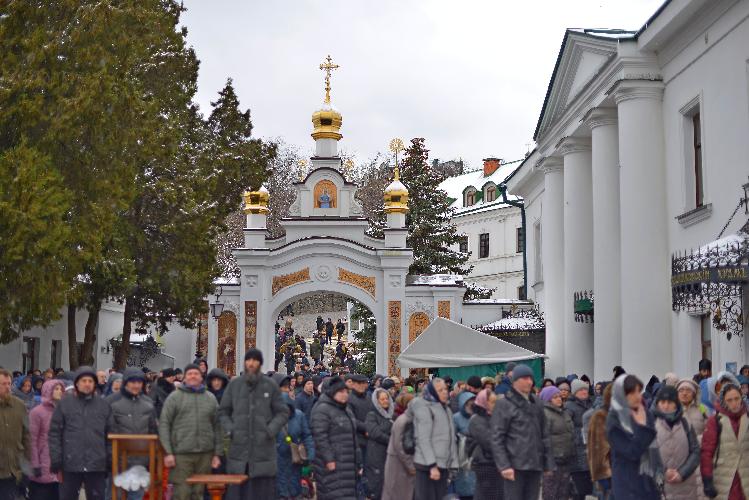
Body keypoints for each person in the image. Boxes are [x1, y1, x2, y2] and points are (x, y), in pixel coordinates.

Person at [219, 348, 288, 500]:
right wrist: (231, 430)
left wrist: (270, 430)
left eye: (255, 360)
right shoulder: (234, 385)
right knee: (237, 493)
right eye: (249, 360)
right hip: (239, 449)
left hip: (263, 450)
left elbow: (282, 412)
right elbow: (223, 412)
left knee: (261, 493)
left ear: (260, 363)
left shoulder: (270, 385)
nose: (251, 363)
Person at [158, 364, 222, 500]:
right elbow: (164, 424)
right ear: (184, 378)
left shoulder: (210, 398)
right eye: (190, 374)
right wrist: (168, 452)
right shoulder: (174, 397)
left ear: (201, 377)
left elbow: (217, 426)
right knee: (182, 493)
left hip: (205, 454)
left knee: (198, 493)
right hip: (181, 455)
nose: (193, 376)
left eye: (196, 373)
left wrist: (217, 453)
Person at [49, 366, 113, 500]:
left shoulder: (104, 405)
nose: (87, 384)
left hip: (97, 464)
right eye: (84, 380)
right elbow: (54, 434)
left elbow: (110, 434)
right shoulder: (65, 404)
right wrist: (56, 460)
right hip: (70, 463)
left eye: (90, 381)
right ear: (77, 383)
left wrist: (109, 459)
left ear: (95, 383)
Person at [491, 364, 552, 500]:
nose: (529, 381)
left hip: (535, 464)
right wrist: (504, 465)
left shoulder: (536, 403)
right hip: (514, 465)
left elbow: (544, 434)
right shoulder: (504, 404)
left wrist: (548, 462)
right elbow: (497, 437)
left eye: (530, 378)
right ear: (515, 380)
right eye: (525, 378)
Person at [606, 374, 660, 499]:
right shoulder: (614, 419)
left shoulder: (645, 413)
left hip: (648, 481)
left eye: (638, 391)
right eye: (631, 393)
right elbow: (631, 452)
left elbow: (654, 445)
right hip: (627, 484)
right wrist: (642, 427)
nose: (637, 396)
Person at [109, 368, 158, 500]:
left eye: (139, 382)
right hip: (116, 462)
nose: (136, 385)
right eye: (133, 382)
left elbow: (153, 431)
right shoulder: (112, 402)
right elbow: (105, 432)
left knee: (136, 497)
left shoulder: (148, 404)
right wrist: (109, 457)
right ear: (126, 383)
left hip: (139, 463)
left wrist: (153, 457)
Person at [310, 376, 360, 500]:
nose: (345, 395)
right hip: (332, 463)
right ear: (333, 393)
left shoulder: (346, 409)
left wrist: (358, 462)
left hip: (348, 462)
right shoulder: (322, 409)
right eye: (341, 392)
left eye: (346, 392)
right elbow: (320, 436)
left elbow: (353, 437)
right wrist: (329, 459)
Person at [700, 382, 749, 499]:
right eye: (729, 400)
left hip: (745, 476)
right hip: (723, 477)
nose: (734, 403)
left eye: (737, 399)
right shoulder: (715, 420)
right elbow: (707, 452)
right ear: (723, 401)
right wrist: (707, 479)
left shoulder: (747, 417)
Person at [410, 378, 457, 500]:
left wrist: (453, 463)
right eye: (440, 390)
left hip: (442, 464)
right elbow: (423, 439)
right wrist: (432, 466)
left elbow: (451, 438)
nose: (444, 392)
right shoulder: (425, 408)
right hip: (427, 466)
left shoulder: (445, 408)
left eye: (445, 389)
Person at [652, 385, 701, 500]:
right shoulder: (651, 424)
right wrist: (663, 472)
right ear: (657, 403)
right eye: (662, 402)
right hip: (661, 488)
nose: (666, 406)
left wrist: (681, 473)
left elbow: (695, 451)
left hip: (686, 487)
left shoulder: (685, 423)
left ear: (676, 403)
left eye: (670, 402)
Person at [28, 379, 65, 500]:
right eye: (56, 389)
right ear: (48, 390)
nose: (59, 392)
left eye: (61, 389)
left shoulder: (63, 412)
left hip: (59, 466)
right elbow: (31, 440)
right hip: (42, 464)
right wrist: (34, 464)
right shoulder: (37, 412)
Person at [276, 393, 315, 500]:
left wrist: (311, 454)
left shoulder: (299, 416)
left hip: (294, 459)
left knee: (294, 489)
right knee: (280, 490)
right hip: (276, 460)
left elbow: (306, 435)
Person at [540, 385, 575, 500]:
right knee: (551, 492)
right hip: (553, 461)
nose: (559, 399)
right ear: (548, 399)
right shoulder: (545, 414)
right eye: (555, 397)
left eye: (559, 396)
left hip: (566, 458)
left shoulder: (564, 412)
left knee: (563, 492)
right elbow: (542, 438)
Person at [0, 368, 29, 500]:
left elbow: (27, 436)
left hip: (13, 470)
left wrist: (27, 465)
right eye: (3, 384)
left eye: (9, 384)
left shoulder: (20, 406)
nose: (7, 387)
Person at [467, 388, 501, 500]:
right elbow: (488, 442)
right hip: (484, 463)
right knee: (486, 494)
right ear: (484, 402)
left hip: (496, 463)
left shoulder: (493, 417)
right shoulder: (476, 420)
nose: (495, 405)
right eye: (492, 402)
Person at [383, 393, 416, 500]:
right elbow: (400, 446)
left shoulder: (408, 419)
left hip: (402, 463)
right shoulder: (403, 421)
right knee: (397, 493)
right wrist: (410, 466)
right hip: (399, 464)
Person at [365, 388, 394, 500]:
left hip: (390, 453)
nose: (385, 401)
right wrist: (390, 439)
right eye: (382, 399)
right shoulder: (372, 414)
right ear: (377, 401)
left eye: (387, 398)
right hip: (376, 453)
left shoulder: (391, 414)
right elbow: (374, 433)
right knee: (377, 482)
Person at [566, 378, 593, 499]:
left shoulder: (591, 404)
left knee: (589, 486)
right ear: (575, 392)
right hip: (577, 450)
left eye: (585, 389)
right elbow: (567, 427)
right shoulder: (569, 406)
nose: (584, 392)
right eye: (581, 390)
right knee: (579, 488)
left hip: (590, 449)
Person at [587, 383, 613, 498]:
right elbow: (597, 449)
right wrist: (602, 473)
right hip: (609, 473)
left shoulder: (630, 415)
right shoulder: (601, 416)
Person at [453, 390, 477, 498]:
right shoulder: (456, 417)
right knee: (463, 484)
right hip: (462, 455)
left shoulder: (477, 416)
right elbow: (452, 436)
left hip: (475, 455)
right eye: (469, 402)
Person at [346, 373, 374, 460]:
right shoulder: (349, 399)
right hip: (357, 438)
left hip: (371, 437)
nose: (362, 386)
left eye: (363, 383)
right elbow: (351, 419)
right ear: (353, 384)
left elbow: (373, 414)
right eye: (359, 383)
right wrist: (365, 428)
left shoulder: (369, 398)